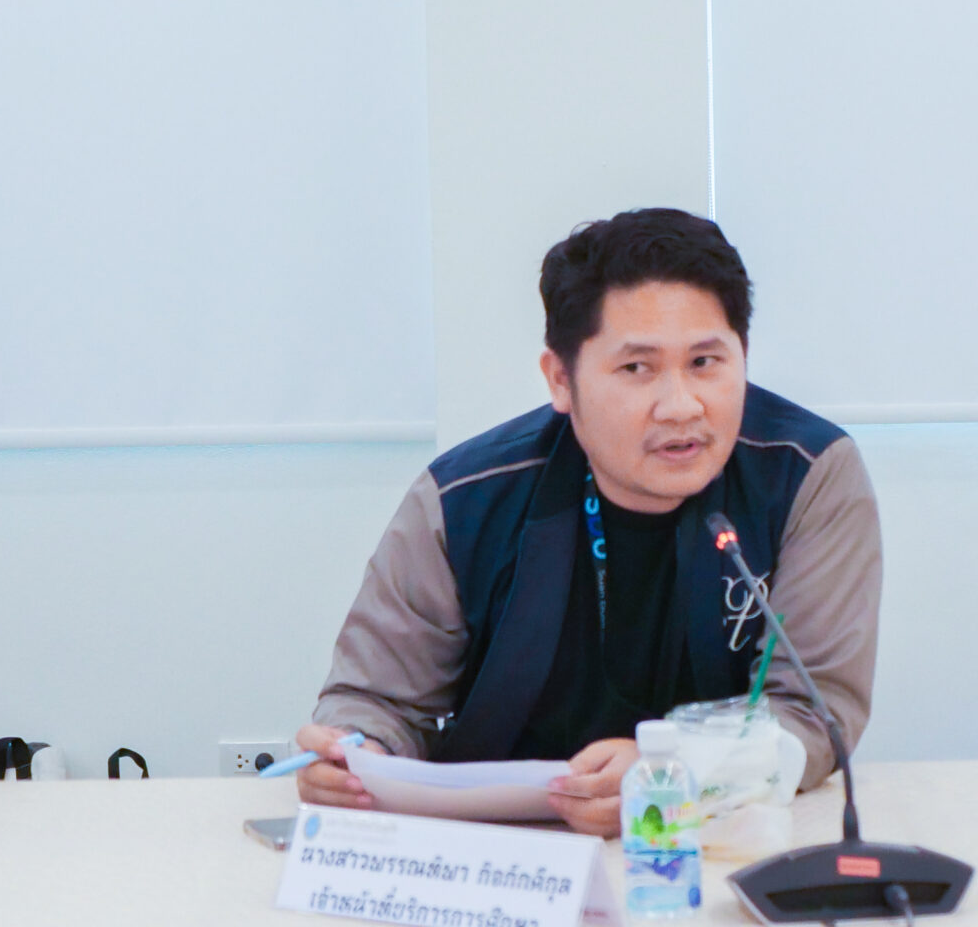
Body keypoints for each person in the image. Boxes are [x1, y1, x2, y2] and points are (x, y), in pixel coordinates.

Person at [294, 208, 882, 835]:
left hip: (715, 842)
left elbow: (813, 713)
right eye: (637, 368)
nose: (681, 406)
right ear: (561, 379)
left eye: (706, 362)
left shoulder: (806, 474)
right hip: (502, 850)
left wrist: (674, 773)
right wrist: (354, 751)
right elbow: (374, 700)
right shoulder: (465, 498)